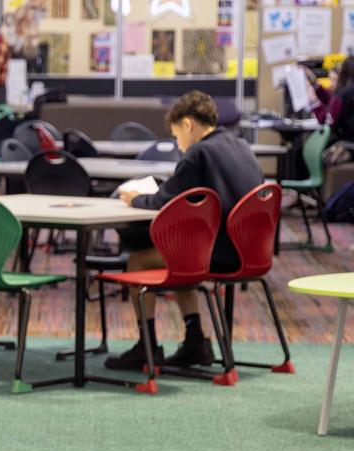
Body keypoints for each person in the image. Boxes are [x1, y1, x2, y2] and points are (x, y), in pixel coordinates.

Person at [108, 91, 264, 371]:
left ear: (188, 125)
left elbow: (163, 200)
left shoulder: (199, 152)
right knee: (180, 252)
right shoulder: (240, 146)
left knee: (139, 261)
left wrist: (134, 198)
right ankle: (195, 342)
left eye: (176, 134)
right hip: (249, 250)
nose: (178, 144)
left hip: (220, 253)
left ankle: (147, 347)